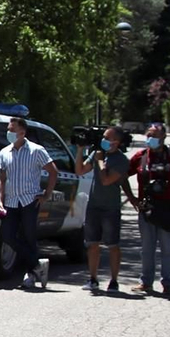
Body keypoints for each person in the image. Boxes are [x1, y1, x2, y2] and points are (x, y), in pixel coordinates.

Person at [0, 117, 57, 290]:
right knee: (8, 236)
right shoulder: (4, 152)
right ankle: (37, 264)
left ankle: (30, 274)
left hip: (30, 200)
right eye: (8, 129)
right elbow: (2, 178)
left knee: (29, 238)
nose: (9, 133)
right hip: (11, 202)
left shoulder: (36, 150)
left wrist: (46, 195)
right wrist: (1, 200)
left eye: (12, 130)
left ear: (22, 132)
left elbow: (53, 172)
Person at [128, 122, 170, 296]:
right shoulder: (141, 156)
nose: (150, 138)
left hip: (168, 207)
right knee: (147, 248)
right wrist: (131, 198)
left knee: (167, 248)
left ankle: (167, 283)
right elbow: (122, 174)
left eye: (154, 135)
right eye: (148, 135)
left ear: (163, 137)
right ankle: (146, 282)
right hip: (147, 208)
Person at [74, 125, 130, 293]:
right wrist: (80, 150)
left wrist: (99, 160)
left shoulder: (121, 160)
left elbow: (106, 180)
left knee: (112, 245)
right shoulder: (96, 153)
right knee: (92, 244)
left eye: (108, 138)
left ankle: (114, 281)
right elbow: (80, 170)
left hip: (110, 207)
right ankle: (93, 278)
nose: (104, 140)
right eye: (103, 137)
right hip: (94, 205)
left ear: (117, 142)